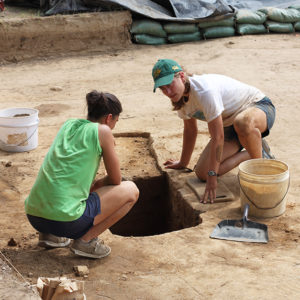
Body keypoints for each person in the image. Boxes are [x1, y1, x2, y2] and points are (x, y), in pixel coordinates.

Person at [25, 91, 139, 258]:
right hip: (66, 222)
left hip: (34, 215)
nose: (114, 126)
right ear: (108, 118)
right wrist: (97, 186)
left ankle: (50, 236)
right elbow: (116, 179)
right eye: (115, 121)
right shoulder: (103, 131)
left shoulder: (68, 125)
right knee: (131, 190)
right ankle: (86, 241)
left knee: (62, 189)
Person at [152, 59, 276, 204]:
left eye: (170, 85)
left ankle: (259, 167)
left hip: (258, 108)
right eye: (162, 89)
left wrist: (213, 176)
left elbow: (218, 136)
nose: (168, 92)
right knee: (202, 173)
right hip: (231, 126)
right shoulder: (181, 101)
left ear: (181, 76)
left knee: (243, 123)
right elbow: (190, 131)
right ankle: (257, 151)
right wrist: (183, 163)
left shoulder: (204, 91)